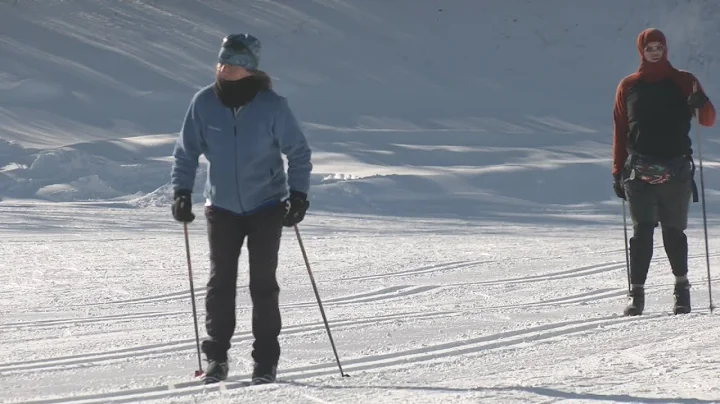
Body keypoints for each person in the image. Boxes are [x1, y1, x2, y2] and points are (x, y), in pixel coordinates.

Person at [170, 33, 312, 384]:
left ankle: (265, 361)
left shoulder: (272, 106)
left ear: (247, 69)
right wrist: (181, 192)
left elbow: (299, 152)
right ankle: (216, 359)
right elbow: (186, 152)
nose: (223, 68)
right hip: (221, 206)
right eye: (221, 62)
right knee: (220, 283)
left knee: (263, 284)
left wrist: (299, 195)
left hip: (266, 205)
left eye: (231, 63)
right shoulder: (203, 102)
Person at [612, 28, 715, 316]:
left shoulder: (684, 81)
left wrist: (702, 103)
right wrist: (617, 170)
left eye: (659, 47)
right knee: (641, 234)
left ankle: (682, 290)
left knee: (673, 233)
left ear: (665, 49)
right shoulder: (628, 86)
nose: (655, 52)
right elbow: (620, 130)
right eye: (649, 48)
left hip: (676, 169)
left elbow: (707, 120)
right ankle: (637, 295)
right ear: (641, 51)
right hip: (638, 172)